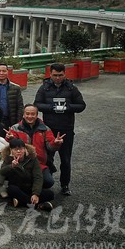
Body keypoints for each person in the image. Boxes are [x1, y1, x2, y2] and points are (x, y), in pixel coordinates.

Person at [33, 63, 86, 196]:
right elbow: (36, 104)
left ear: (65, 74)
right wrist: (51, 107)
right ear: (50, 74)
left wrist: (68, 107)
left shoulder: (71, 88)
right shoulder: (44, 88)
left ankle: (65, 184)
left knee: (66, 159)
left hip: (66, 129)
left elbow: (81, 105)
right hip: (49, 130)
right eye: (55, 75)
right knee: (47, 158)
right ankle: (47, 182)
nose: (57, 78)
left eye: (60, 75)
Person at [5, 104, 63, 189]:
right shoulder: (15, 128)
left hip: (39, 163)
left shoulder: (45, 129)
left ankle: (34, 189)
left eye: (33, 114)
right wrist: (10, 139)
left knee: (49, 182)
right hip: (20, 163)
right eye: (27, 114)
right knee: (14, 182)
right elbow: (10, 147)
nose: (30, 116)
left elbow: (50, 147)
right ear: (23, 115)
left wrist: (56, 143)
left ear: (37, 115)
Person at [0, 138, 54, 211]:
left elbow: (38, 177)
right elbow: (1, 172)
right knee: (11, 189)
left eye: (21, 149)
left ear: (24, 149)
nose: (18, 151)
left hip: (30, 187)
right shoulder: (8, 159)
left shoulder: (32, 158)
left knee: (50, 194)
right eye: (15, 149)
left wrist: (36, 194)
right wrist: (11, 166)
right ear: (11, 150)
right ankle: (37, 205)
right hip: (17, 187)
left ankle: (21, 202)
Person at [0, 63, 25, 128]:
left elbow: (20, 107)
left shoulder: (16, 88)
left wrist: (18, 122)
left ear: (7, 72)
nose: (1, 73)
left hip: (10, 120)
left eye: (4, 71)